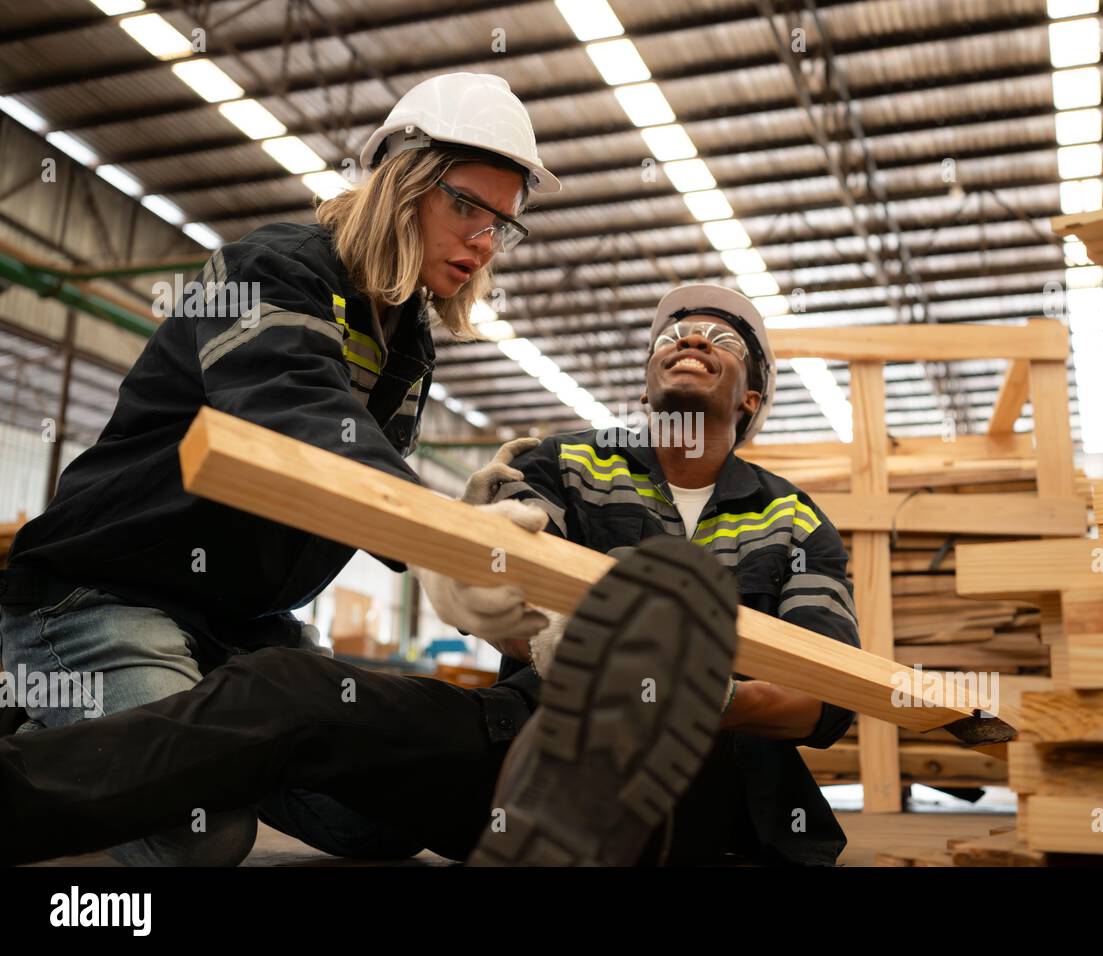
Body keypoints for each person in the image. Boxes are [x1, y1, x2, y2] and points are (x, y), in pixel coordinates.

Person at [0, 285, 861, 867]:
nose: (689, 342)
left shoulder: (795, 522)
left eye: (717, 339)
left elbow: (825, 695)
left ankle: (611, 812)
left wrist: (703, 698)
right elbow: (504, 579)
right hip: (525, 743)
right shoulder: (566, 464)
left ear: (751, 397)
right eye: (672, 335)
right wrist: (486, 570)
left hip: (721, 785)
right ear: (645, 377)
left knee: (686, 637)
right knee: (290, 688)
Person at [0, 72, 559, 866]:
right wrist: (448, 539)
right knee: (201, 837)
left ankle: (136, 735)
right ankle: (63, 711)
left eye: (502, 223)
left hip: (244, 631)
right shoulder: (271, 269)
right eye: (466, 205)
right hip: (105, 594)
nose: (483, 241)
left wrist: (456, 519)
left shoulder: (408, 341)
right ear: (400, 187)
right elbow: (296, 420)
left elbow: (353, 484)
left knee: (386, 823)